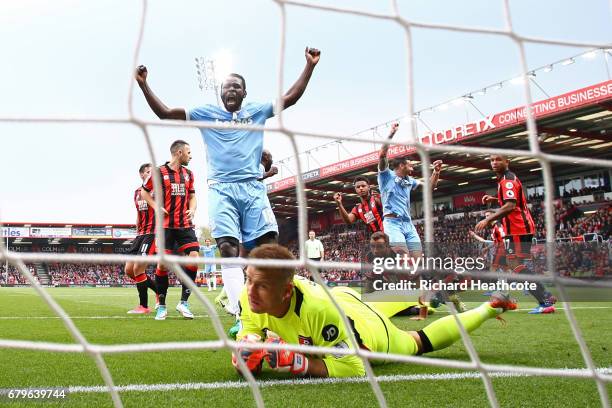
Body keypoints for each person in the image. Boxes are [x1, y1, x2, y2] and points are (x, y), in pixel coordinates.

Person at [135, 47, 320, 335]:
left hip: (252, 189)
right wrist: (144, 85)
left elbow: (290, 98)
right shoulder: (204, 113)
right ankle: (242, 317)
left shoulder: (257, 110)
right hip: (222, 189)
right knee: (228, 249)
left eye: (236, 86)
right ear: (221, 92)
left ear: (244, 93)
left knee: (269, 249)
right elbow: (165, 113)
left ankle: (278, 311)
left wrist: (309, 66)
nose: (231, 90)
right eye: (226, 86)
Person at [232, 244, 517, 378]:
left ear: (285, 291)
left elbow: (356, 368)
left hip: (369, 332)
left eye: (262, 286)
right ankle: (421, 293)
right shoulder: (249, 298)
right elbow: (249, 330)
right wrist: (248, 345)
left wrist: (301, 363)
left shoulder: (316, 310)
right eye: (248, 280)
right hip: (341, 296)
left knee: (417, 341)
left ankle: (489, 307)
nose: (250, 291)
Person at [475, 154, 556, 314]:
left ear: (507, 162)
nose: (494, 162)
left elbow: (511, 206)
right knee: (515, 265)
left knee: (514, 265)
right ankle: (544, 296)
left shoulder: (507, 180)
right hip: (518, 228)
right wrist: (495, 198)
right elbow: (512, 201)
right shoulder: (505, 180)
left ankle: (545, 298)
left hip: (518, 227)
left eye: (498, 159)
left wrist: (488, 219)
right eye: (491, 160)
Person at [141, 140, 200, 321]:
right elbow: (144, 192)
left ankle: (184, 302)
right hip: (165, 226)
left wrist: (192, 209)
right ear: (179, 152)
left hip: (184, 225)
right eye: (188, 152)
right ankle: (162, 306)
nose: (191, 156)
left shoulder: (189, 174)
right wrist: (155, 205)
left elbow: (192, 197)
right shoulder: (159, 172)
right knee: (162, 265)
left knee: (194, 258)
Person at [377, 123, 442, 257]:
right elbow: (382, 154)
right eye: (410, 166)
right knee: (404, 258)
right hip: (393, 223)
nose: (413, 168)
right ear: (402, 165)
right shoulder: (386, 176)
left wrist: (436, 172)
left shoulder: (409, 181)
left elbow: (430, 187)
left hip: (408, 223)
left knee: (417, 259)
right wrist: (391, 133)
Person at [125, 163, 158, 314]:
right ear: (142, 174)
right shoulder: (137, 192)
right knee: (129, 270)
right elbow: (138, 213)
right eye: (149, 172)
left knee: (138, 268)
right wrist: (137, 228)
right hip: (140, 234)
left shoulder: (158, 190)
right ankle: (159, 291)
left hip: (152, 233)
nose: (152, 174)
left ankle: (144, 306)